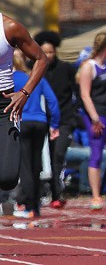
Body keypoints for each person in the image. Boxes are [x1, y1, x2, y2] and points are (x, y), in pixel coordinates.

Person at [0, 13, 49, 191]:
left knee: (7, 178)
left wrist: (24, 92)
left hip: (3, 106)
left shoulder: (10, 27)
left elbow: (41, 59)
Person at [77, 32, 106, 211]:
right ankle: (96, 196)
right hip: (96, 115)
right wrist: (95, 118)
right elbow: (84, 94)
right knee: (96, 154)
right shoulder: (89, 66)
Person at [12, 49, 60, 218]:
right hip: (40, 122)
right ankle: (36, 207)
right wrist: (54, 124)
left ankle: (28, 206)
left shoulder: (10, 79)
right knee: (35, 165)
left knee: (24, 166)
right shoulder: (36, 77)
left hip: (22, 122)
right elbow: (52, 101)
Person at [34, 30, 78, 209]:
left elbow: (77, 92)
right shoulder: (35, 68)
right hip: (41, 119)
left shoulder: (66, 69)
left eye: (51, 52)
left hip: (64, 119)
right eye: (44, 52)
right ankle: (35, 193)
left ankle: (56, 193)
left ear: (56, 52)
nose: (48, 56)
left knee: (57, 155)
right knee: (37, 157)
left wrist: (73, 113)